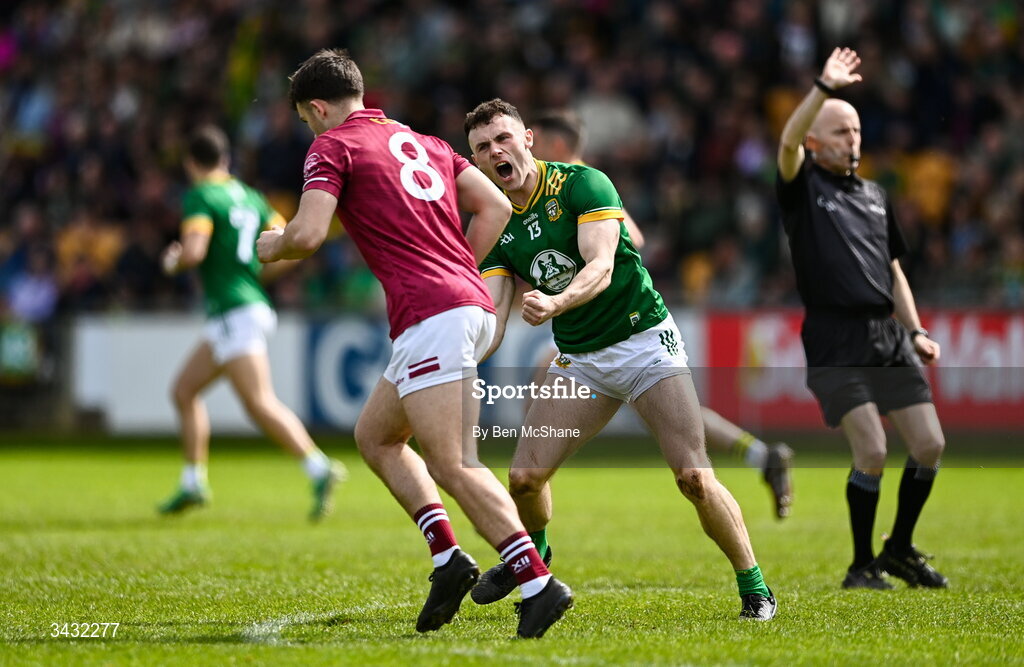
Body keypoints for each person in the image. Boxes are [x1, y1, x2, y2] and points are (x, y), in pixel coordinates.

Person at [255, 49, 572, 639]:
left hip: (436, 314)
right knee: (375, 436)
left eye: (307, 118)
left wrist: (271, 245)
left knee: (452, 463)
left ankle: (536, 581)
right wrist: (457, 269)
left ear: (319, 107)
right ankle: (449, 559)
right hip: (457, 305)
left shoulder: (332, 146)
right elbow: (496, 205)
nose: (310, 129)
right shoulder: (421, 139)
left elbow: (306, 233)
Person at [464, 98, 777, 620]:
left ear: (528, 140)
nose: (496, 150)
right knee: (523, 478)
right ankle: (536, 561)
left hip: (644, 343)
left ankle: (756, 588)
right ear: (474, 161)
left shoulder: (583, 184)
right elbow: (493, 318)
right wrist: (459, 361)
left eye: (503, 138)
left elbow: (602, 265)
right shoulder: (494, 222)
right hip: (582, 359)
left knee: (694, 478)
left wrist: (557, 303)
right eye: (482, 147)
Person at [531, 109, 794, 519]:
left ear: (559, 146)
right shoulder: (553, 186)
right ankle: (762, 455)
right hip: (590, 316)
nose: (530, 149)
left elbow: (631, 235)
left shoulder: (576, 180)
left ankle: (541, 479)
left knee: (555, 375)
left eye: (538, 140)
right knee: (667, 412)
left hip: (606, 313)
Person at [776, 48, 948, 589]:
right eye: (841, 131)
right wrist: (823, 88)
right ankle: (860, 565)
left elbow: (893, 270)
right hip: (834, 336)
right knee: (872, 449)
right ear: (815, 141)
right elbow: (784, 143)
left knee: (930, 444)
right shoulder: (803, 188)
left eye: (856, 130)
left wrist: (915, 328)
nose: (853, 140)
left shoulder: (875, 195)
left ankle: (897, 548)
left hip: (887, 334)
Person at [158, 125, 345, 522]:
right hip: (244, 307)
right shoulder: (251, 197)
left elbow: (194, 251)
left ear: (191, 163)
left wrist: (173, 260)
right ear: (225, 158)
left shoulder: (201, 195)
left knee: (259, 402)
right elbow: (286, 239)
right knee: (184, 390)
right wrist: (256, 275)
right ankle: (193, 480)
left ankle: (319, 467)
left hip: (233, 311)